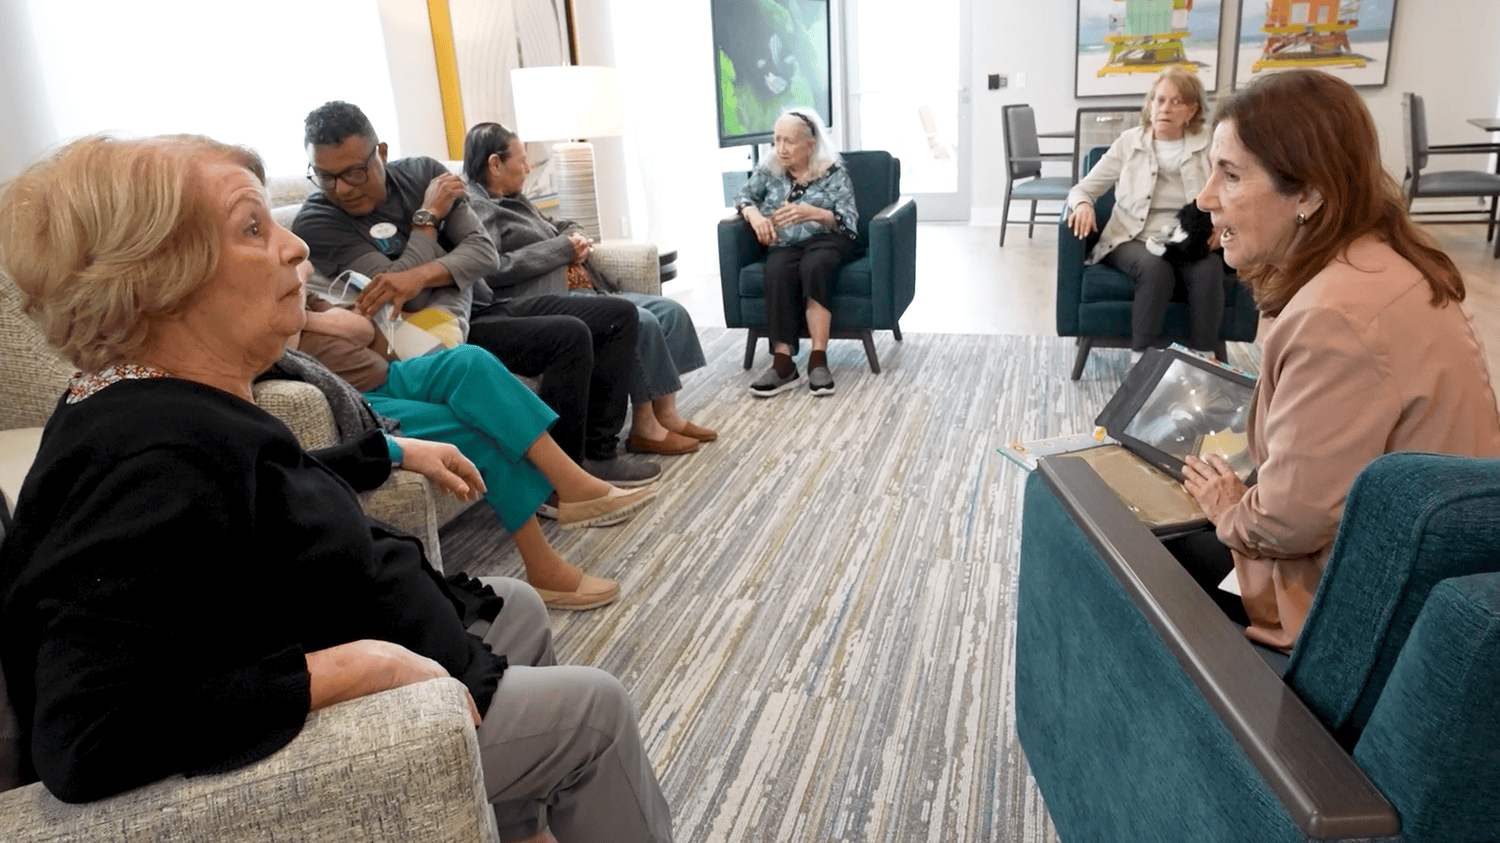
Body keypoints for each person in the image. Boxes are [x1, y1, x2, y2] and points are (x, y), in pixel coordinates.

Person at [0, 134, 673, 842]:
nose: (295, 249)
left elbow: (258, 487)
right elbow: (84, 735)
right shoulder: (145, 457)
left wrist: (383, 449)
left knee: (521, 608)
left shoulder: (159, 405)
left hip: (368, 618)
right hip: (359, 700)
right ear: (158, 279)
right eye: (253, 228)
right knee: (596, 713)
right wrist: (355, 666)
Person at [1174, 69, 1500, 652]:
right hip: (1428, 571)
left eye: (1229, 174)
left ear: (1308, 193)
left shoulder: (1334, 317)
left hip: (1358, 611)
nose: (1204, 199)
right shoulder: (1385, 262)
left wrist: (1228, 508)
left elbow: (1284, 522)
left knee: (1125, 527)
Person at [292, 101, 658, 487]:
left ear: (381, 152)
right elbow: (401, 295)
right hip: (436, 332)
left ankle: (599, 453)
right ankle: (557, 482)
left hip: (484, 301)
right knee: (568, 336)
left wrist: (418, 272)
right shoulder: (318, 220)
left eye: (354, 172)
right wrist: (428, 218)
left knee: (618, 315)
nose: (341, 189)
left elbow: (483, 254)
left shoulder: (423, 174)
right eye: (325, 176)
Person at [282, 264, 655, 610]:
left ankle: (571, 484)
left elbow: (362, 330)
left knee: (471, 360)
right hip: (359, 401)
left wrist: (305, 309)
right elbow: (287, 339)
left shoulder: (293, 288)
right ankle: (547, 571)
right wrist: (304, 307)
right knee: (472, 430)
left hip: (390, 375)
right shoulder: (246, 298)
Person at [462, 122, 717, 456]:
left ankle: (666, 414)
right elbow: (493, 266)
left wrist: (577, 237)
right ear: (495, 164)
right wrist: (562, 250)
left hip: (586, 287)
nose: (528, 168)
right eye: (522, 161)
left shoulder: (517, 199)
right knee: (642, 321)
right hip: (546, 300)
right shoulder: (478, 209)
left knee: (670, 311)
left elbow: (561, 225)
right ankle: (645, 427)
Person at [1066, 66, 1228, 360]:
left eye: (1176, 102)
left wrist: (1223, 227)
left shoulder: (1209, 143)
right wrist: (1082, 205)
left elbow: (1229, 193)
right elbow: (1082, 189)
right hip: (1132, 237)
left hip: (1189, 240)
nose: (1165, 108)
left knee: (1210, 269)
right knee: (1155, 269)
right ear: (1150, 105)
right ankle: (1142, 360)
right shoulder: (1130, 142)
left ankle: (1204, 359)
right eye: (1160, 100)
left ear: (1192, 110)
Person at [733, 107, 858, 397]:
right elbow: (743, 196)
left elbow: (848, 220)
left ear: (810, 145)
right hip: (786, 243)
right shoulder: (770, 171)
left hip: (827, 239)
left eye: (789, 141)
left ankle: (818, 359)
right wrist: (755, 216)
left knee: (815, 265)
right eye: (776, 140)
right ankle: (783, 363)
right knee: (776, 270)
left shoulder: (832, 173)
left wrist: (813, 212)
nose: (781, 148)